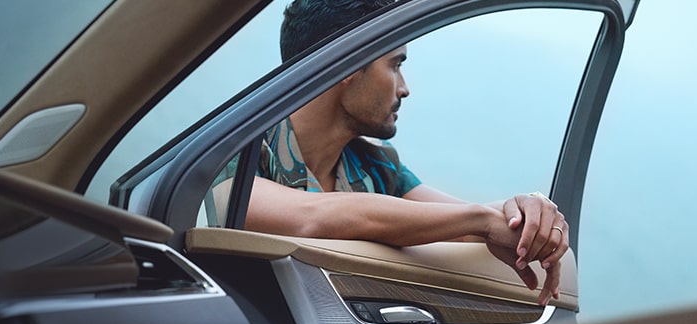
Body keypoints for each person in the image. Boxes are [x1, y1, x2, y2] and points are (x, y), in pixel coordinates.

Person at [244, 0, 569, 306]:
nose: (404, 87)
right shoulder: (240, 156)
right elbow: (310, 217)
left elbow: (458, 219)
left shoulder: (378, 165)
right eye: (395, 64)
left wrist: (526, 214)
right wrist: (482, 219)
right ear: (343, 63)